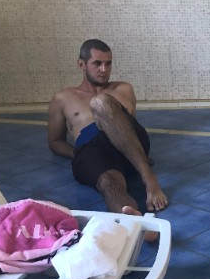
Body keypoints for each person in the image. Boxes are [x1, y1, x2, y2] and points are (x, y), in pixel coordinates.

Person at [47, 39, 168, 217]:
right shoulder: (63, 98)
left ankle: (149, 179)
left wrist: (139, 154)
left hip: (126, 143)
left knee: (100, 103)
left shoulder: (124, 89)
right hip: (93, 149)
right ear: (81, 64)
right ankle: (131, 219)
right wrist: (77, 153)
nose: (104, 70)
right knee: (108, 183)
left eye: (108, 63)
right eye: (97, 63)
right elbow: (55, 141)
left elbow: (130, 126)